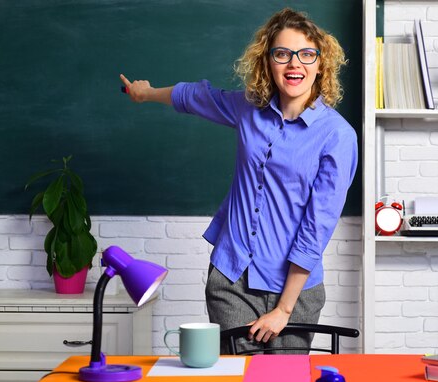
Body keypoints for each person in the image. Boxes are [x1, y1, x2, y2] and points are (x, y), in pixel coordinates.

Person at [120, 8, 357, 353]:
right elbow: (195, 97)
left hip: (294, 292)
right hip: (232, 278)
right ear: (267, 62)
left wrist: (283, 310)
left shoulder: (338, 136)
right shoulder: (248, 109)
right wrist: (147, 93)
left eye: (307, 54)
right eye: (282, 54)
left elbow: (315, 230)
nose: (295, 65)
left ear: (321, 64)